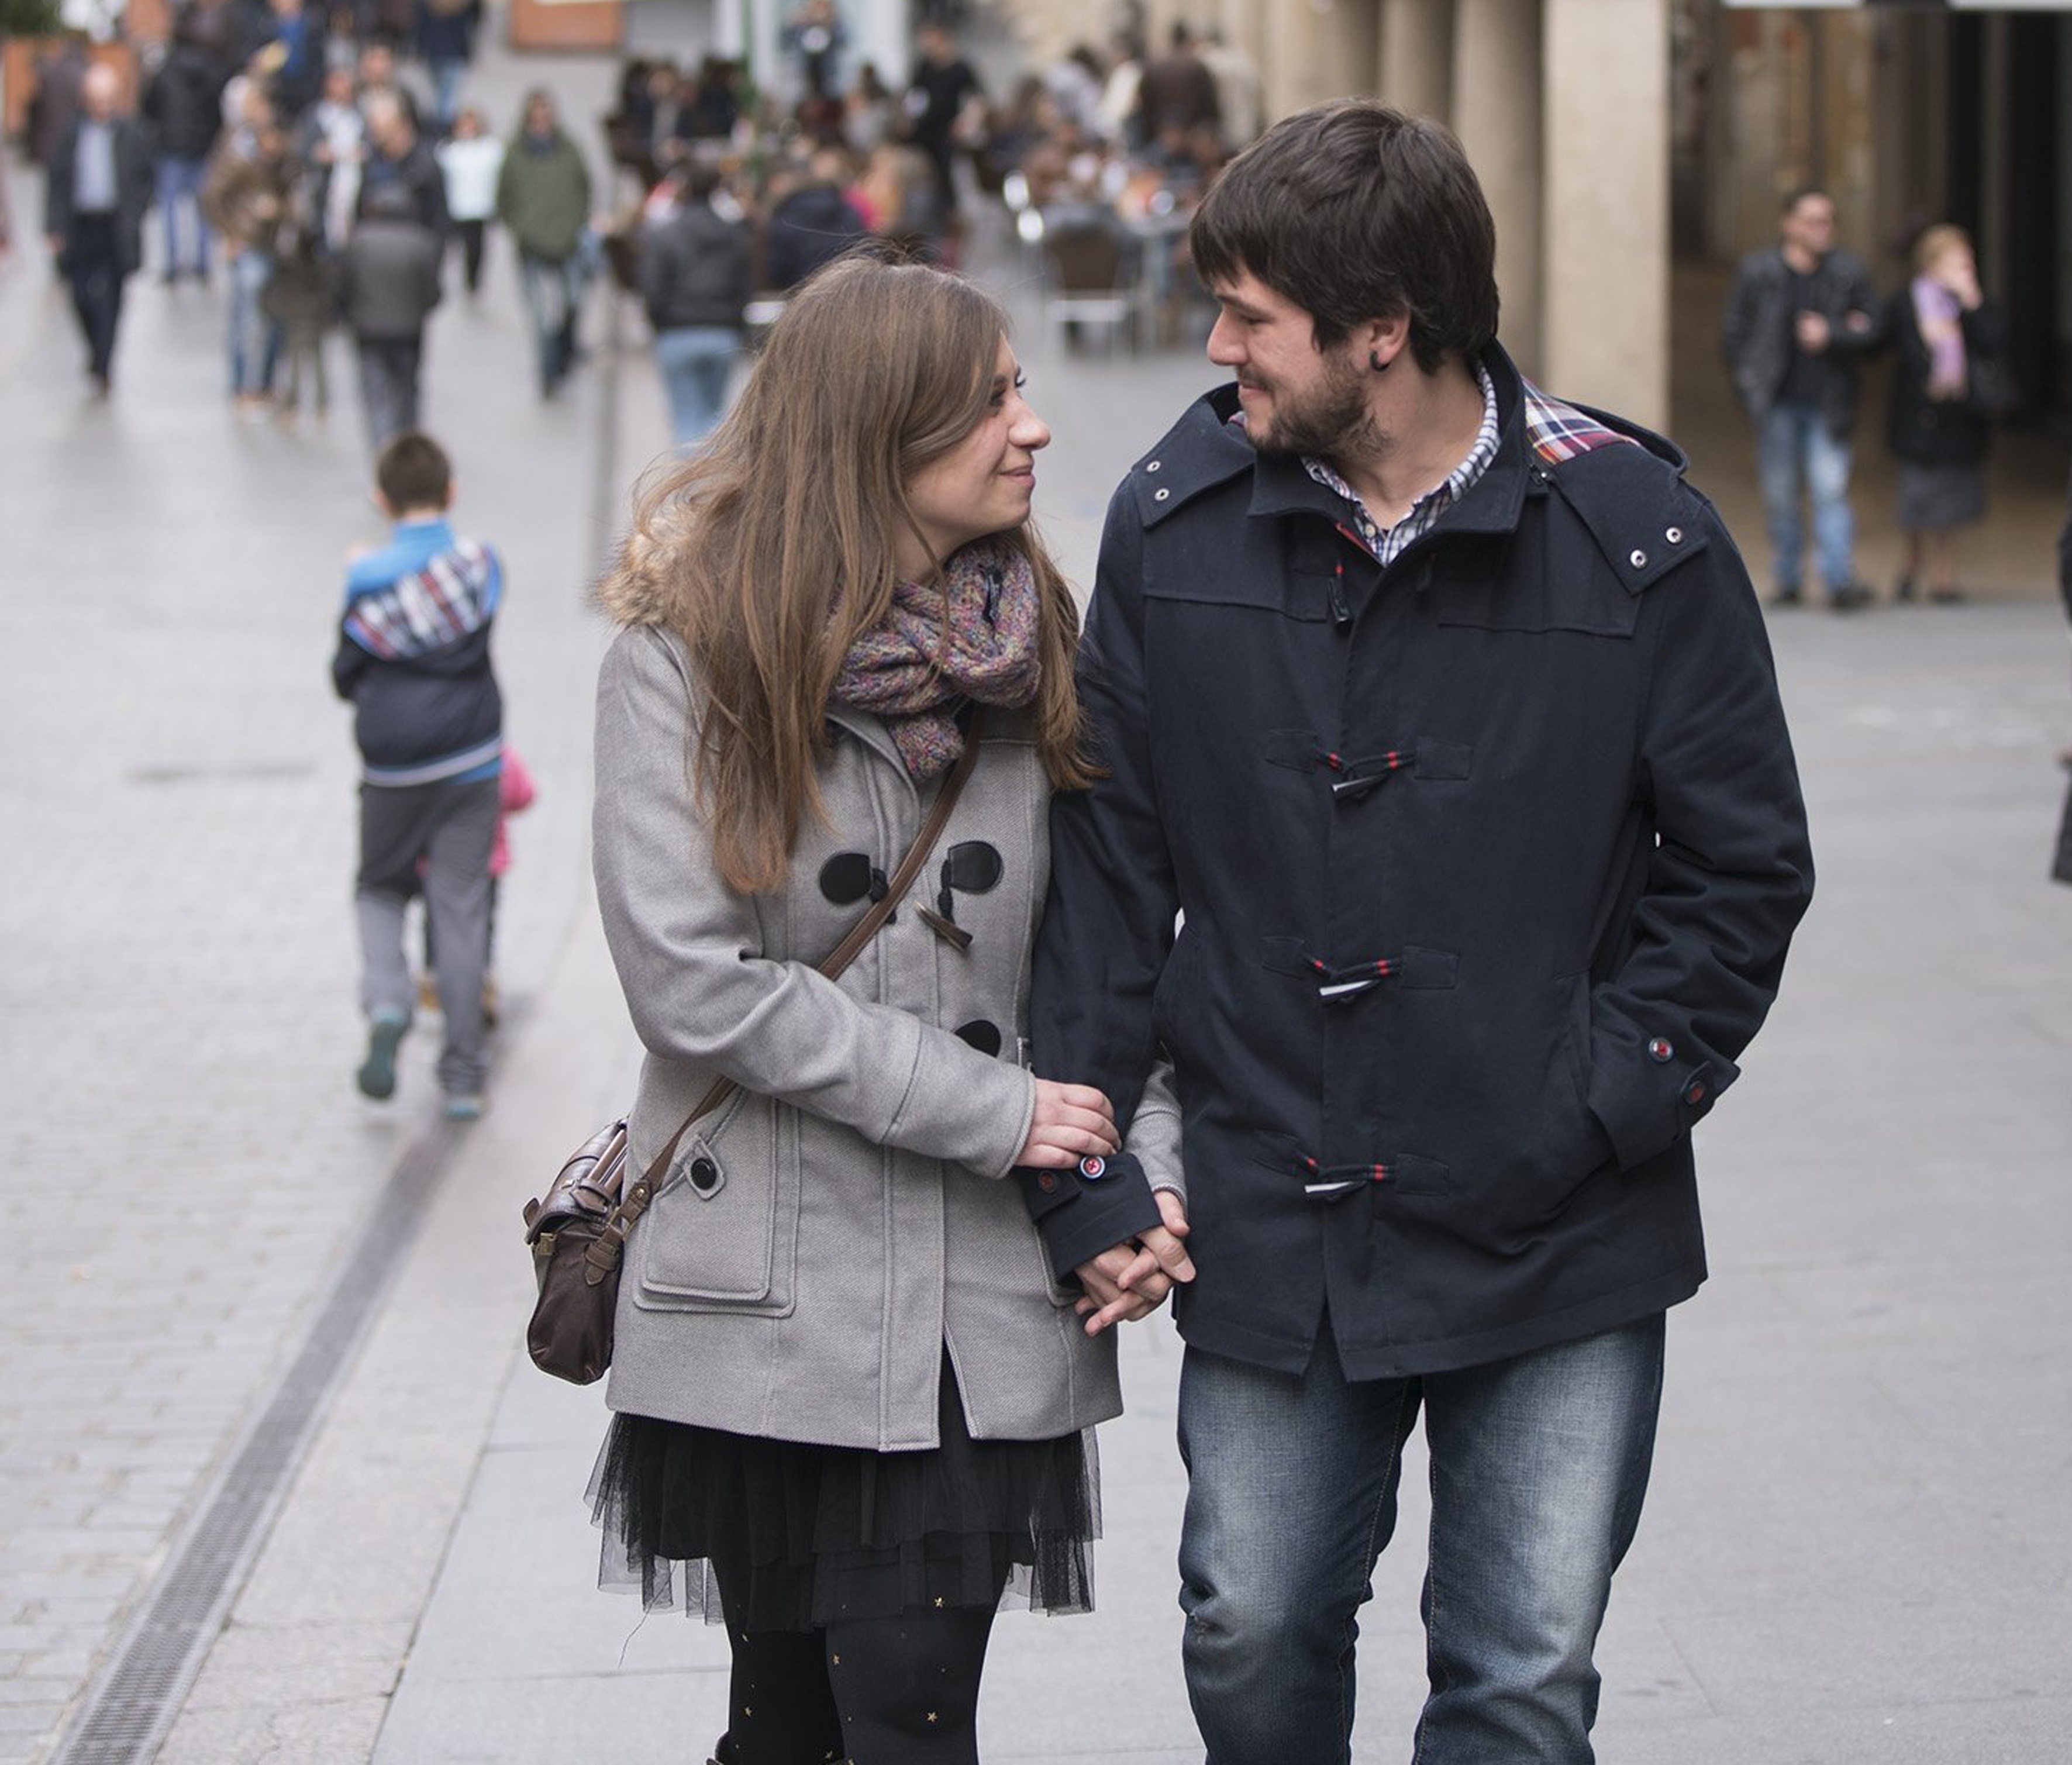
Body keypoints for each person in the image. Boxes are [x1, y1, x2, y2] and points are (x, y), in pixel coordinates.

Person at [1021, 100, 1814, 1765]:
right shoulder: (1172, 526)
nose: (1214, 342)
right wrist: (1088, 1167)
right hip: (1268, 1206)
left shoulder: (1637, 539)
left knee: (1519, 1681)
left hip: (1557, 1228)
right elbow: (1102, 873)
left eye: (1249, 312)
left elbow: (1735, 870)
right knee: (1248, 1623)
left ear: (1379, 332)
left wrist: (1595, 1098)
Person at [584, 250, 1182, 1765]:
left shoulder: (1041, 646)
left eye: (1021, 390)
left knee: (911, 1733)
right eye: (987, 400)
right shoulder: (683, 659)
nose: (1032, 428)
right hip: (767, 1288)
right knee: (779, 1738)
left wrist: (1140, 1176)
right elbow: (689, 981)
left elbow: (1115, 959)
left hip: (975, 1310)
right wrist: (999, 1114)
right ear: (873, 433)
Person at [333, 430, 504, 1121]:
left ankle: (388, 1003)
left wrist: (357, 576)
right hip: (473, 758)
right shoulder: (480, 566)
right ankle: (462, 1077)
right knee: (458, 905)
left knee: (378, 889)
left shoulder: (366, 583)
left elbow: (344, 676)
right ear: (452, 492)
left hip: (393, 768)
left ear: (380, 499)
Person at [1721, 186, 1883, 611]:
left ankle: (1838, 579)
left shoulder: (1847, 272)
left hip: (1829, 403)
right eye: (1813, 221)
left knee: (1830, 489)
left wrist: (1834, 333)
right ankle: (1789, 577)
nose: (1822, 229)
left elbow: (1874, 331)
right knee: (1780, 493)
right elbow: (1734, 332)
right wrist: (1747, 385)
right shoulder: (1759, 272)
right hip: (1776, 401)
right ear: (1788, 223)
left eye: (1828, 221)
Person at [1883, 223, 2006, 605]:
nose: (1964, 268)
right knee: (1916, 498)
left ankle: (1943, 576)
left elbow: (1994, 344)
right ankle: (1912, 562)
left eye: (1967, 261)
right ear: (1932, 264)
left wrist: (1972, 301)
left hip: (1958, 416)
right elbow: (1882, 340)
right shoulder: (1908, 301)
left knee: (1953, 499)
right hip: (1918, 415)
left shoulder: (1971, 305)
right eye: (1956, 261)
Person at [42, 61, 153, 395]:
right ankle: (96, 349)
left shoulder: (130, 132)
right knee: (79, 295)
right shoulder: (71, 133)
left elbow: (145, 178)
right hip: (80, 225)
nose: (103, 107)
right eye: (97, 100)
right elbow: (57, 182)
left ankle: (104, 362)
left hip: (114, 226)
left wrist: (137, 211)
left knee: (112, 300)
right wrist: (53, 228)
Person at [636, 161, 751, 448]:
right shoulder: (734, 235)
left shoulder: (664, 235)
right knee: (714, 418)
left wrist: (660, 324)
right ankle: (711, 487)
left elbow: (652, 286)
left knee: (686, 419)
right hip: (722, 332)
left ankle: (689, 488)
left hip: (677, 333)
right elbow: (745, 286)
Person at [202, 95, 297, 413]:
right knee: (246, 320)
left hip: (279, 249)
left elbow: (298, 202)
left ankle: (268, 384)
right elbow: (212, 196)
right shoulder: (241, 161)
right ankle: (242, 386)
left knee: (279, 319)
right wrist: (231, 234)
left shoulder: (289, 165)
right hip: (249, 246)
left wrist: (280, 209)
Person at [495, 88, 592, 397]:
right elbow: (504, 198)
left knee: (573, 300)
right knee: (539, 314)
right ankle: (547, 371)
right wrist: (522, 227)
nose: (541, 119)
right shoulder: (515, 153)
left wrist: (576, 223)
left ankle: (565, 350)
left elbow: (585, 187)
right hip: (532, 247)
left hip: (568, 242)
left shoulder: (569, 150)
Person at [337, 180, 443, 446]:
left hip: (369, 332)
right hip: (408, 332)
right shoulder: (421, 243)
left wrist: (348, 316)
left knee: (375, 395)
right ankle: (405, 449)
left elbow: (341, 287)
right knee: (407, 392)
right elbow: (434, 294)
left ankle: (382, 449)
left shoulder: (359, 243)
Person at [143, 15, 232, 284]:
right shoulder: (212, 69)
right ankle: (203, 263)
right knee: (203, 208)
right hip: (202, 147)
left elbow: (148, 106)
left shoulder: (166, 70)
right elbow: (219, 110)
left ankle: (172, 264)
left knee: (169, 208)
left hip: (172, 146)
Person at [901, 20, 984, 230]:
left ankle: (951, 218)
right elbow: (913, 96)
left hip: (947, 132)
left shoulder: (960, 68)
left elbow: (977, 98)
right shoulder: (923, 66)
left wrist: (967, 121)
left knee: (948, 175)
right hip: (923, 131)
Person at [435, 104, 502, 295]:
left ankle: (472, 282)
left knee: (476, 250)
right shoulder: (448, 150)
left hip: (479, 209)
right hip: (454, 208)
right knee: (451, 248)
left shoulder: (491, 149)